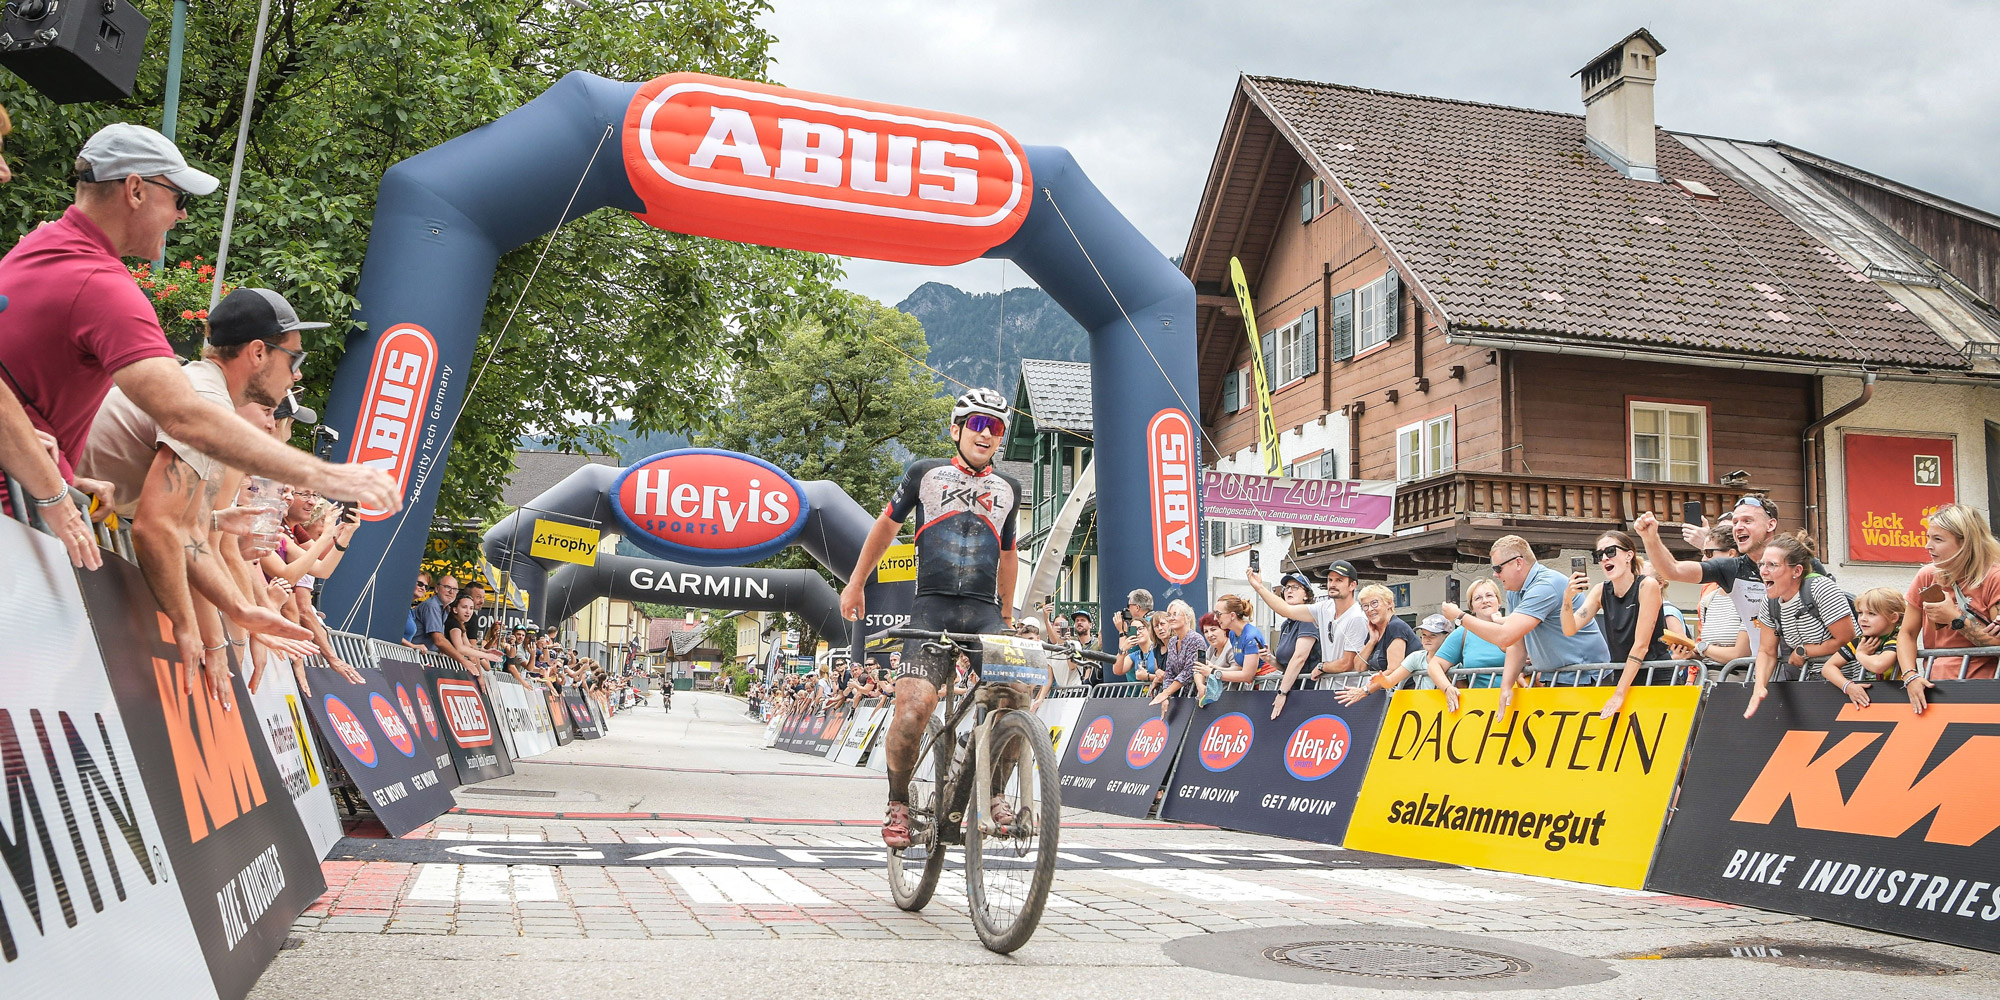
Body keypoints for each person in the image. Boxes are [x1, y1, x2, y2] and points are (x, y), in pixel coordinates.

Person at [0, 123, 396, 526]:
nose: (183, 213)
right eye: (178, 196)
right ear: (135, 190)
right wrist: (327, 474)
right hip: (15, 512)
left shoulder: (40, 245)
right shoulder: (100, 286)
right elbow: (185, 417)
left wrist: (66, 481)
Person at [838, 388, 1020, 848]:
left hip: (983, 614)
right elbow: (884, 528)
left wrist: (1007, 612)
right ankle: (898, 803)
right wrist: (856, 582)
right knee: (914, 709)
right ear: (956, 429)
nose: (985, 434)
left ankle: (996, 793)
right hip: (931, 609)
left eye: (995, 428)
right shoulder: (925, 474)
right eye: (977, 424)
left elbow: (1009, 553)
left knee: (1015, 693)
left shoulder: (1009, 489)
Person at [1637, 496, 1823, 667]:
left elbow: (1837, 614)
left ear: (1771, 524)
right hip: (1764, 672)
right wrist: (1650, 538)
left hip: (1811, 669)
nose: (1738, 527)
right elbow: (1673, 570)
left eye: (1747, 521)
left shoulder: (1802, 562)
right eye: (1735, 522)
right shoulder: (1732, 569)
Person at [1443, 535, 1611, 714]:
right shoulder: (1515, 590)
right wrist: (1506, 686)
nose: (1495, 574)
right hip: (1560, 677)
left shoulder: (1546, 585)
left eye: (1498, 568)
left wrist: (1460, 616)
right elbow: (1517, 644)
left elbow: (1505, 636)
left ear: (1518, 563)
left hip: (1586, 677)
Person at [1744, 533, 1856, 718]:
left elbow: (1846, 639)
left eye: (1772, 565)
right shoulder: (1769, 602)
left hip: (1849, 682)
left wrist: (1804, 651)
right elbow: (1766, 651)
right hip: (1809, 684)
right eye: (1762, 564)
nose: (1763, 571)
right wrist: (1759, 687)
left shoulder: (1821, 588)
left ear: (1796, 571)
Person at [1562, 530, 1671, 718]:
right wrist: (1567, 598)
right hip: (1623, 674)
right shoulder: (1601, 590)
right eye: (1599, 555)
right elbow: (1569, 629)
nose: (1604, 558)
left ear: (1629, 555)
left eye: (1611, 551)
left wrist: (1619, 693)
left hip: (1655, 674)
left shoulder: (1647, 585)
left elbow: (1641, 645)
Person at [1896, 502, 2000, 696]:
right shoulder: (1926, 575)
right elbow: (1907, 634)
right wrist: (1910, 676)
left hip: (1984, 689)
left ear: (1965, 543)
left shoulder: (1994, 578)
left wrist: (1955, 618)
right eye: (1928, 538)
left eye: (1938, 539)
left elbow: (1997, 643)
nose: (1928, 546)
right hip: (1934, 685)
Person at [1251, 560, 1368, 720]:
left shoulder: (1357, 618)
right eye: (1330, 580)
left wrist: (1322, 666)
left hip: (1351, 695)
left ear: (1352, 585)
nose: (1332, 584)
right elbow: (1286, 610)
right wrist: (1259, 586)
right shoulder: (1325, 608)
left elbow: (1347, 663)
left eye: (1339, 580)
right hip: (1326, 692)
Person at [1337, 614, 1454, 706]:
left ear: (1447, 637)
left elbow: (1463, 688)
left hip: (1449, 707)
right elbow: (1391, 680)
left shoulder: (1455, 660)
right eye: (1424, 635)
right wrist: (1381, 679)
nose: (1427, 639)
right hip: (1423, 708)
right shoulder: (1416, 657)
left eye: (1433, 635)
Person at [1822, 587, 1906, 708]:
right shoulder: (1861, 641)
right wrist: (1848, 686)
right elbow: (1828, 667)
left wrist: (1860, 655)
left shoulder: (1898, 638)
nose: (1863, 619)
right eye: (1860, 613)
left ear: (1893, 617)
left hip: (1899, 700)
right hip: (1869, 700)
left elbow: (1879, 665)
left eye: (1871, 613)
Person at [1147, 600, 1202, 715]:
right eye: (1169, 615)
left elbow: (1189, 672)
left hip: (1196, 699)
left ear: (1187, 617)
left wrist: (1166, 692)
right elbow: (1170, 672)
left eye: (1175, 614)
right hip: (1179, 699)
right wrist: (1166, 697)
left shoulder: (1196, 639)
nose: (1171, 618)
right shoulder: (1172, 642)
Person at [1355, 585, 1420, 674]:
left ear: (1389, 603)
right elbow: (1359, 667)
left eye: (1374, 603)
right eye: (1365, 606)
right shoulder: (1374, 631)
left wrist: (1366, 688)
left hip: (1407, 687)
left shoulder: (1396, 627)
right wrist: (1372, 641)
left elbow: (1393, 671)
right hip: (1385, 687)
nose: (1370, 609)